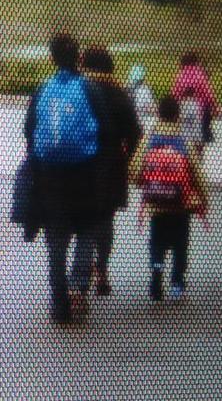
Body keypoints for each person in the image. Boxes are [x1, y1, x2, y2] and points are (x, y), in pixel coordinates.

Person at [24, 33, 105, 324]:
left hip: (50, 177)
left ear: (52, 59)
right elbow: (105, 129)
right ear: (79, 58)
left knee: (56, 239)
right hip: (83, 174)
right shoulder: (89, 89)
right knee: (85, 229)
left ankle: (59, 300)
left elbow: (29, 129)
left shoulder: (43, 89)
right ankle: (78, 287)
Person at [132, 96, 208, 302]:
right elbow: (198, 174)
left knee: (156, 243)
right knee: (180, 244)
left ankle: (156, 274)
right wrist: (203, 199)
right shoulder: (183, 141)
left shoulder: (149, 139)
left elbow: (135, 170)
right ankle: (177, 282)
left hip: (156, 205)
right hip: (181, 204)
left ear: (159, 114)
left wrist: (145, 183)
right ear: (177, 116)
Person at [79, 46, 141, 297]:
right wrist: (125, 159)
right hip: (111, 166)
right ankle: (102, 270)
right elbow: (135, 133)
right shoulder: (119, 93)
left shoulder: (79, 89)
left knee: (82, 221)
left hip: (80, 165)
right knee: (104, 220)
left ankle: (78, 278)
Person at [172, 52, 218, 145]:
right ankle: (198, 151)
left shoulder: (180, 76)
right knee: (198, 135)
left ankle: (186, 151)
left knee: (184, 132)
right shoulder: (200, 75)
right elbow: (208, 94)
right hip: (200, 109)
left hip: (183, 108)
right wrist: (215, 106)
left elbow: (175, 94)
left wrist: (174, 108)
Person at [127, 64, 156, 133]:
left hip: (130, 122)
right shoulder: (145, 89)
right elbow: (151, 108)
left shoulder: (127, 89)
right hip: (144, 123)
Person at [179, 87, 204, 155]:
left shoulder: (181, 105)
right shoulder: (195, 106)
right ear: (193, 94)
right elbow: (197, 125)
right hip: (192, 142)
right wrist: (199, 141)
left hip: (181, 141)